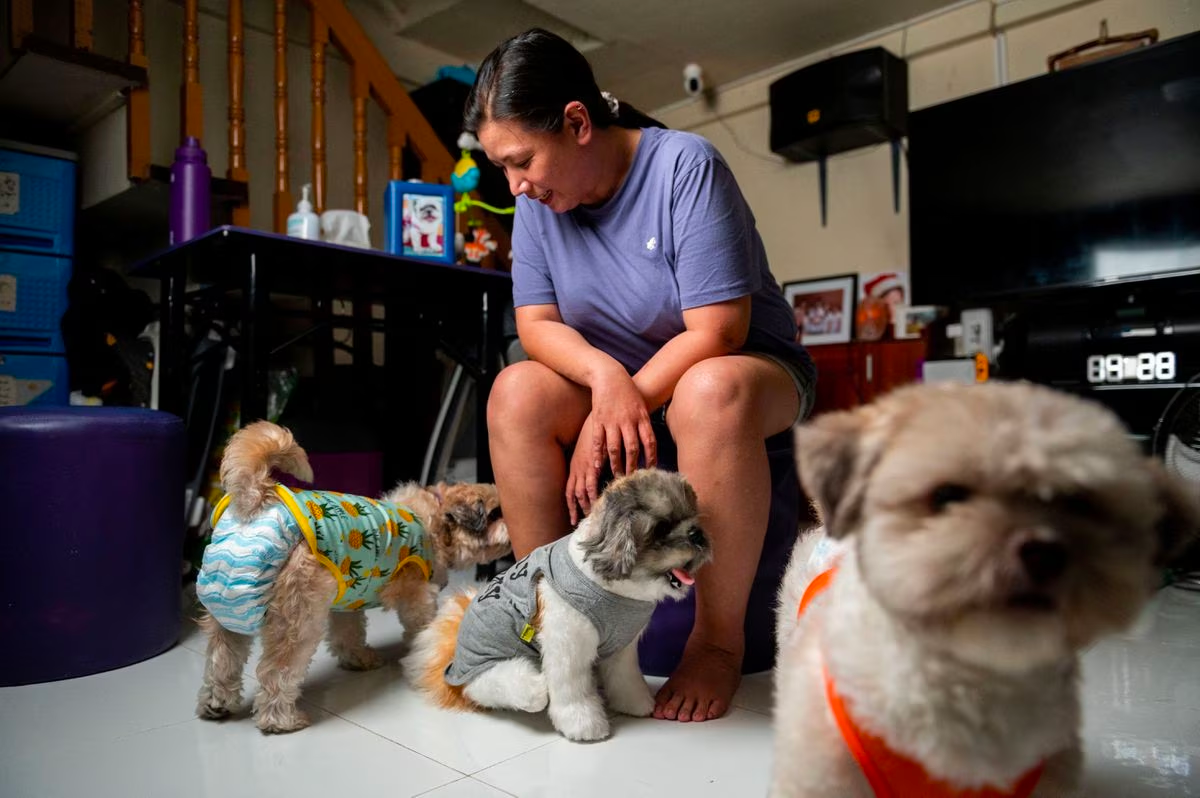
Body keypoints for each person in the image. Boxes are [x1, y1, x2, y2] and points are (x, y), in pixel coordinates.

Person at [470, 28, 816, 723]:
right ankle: (551, 621)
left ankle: (716, 642)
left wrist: (622, 398)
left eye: (522, 161)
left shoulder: (686, 165)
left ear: (577, 123)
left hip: (743, 374)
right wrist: (604, 380)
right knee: (516, 391)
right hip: (622, 385)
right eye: (500, 168)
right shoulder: (537, 204)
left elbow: (719, 331)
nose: (515, 187)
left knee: (708, 391)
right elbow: (537, 325)